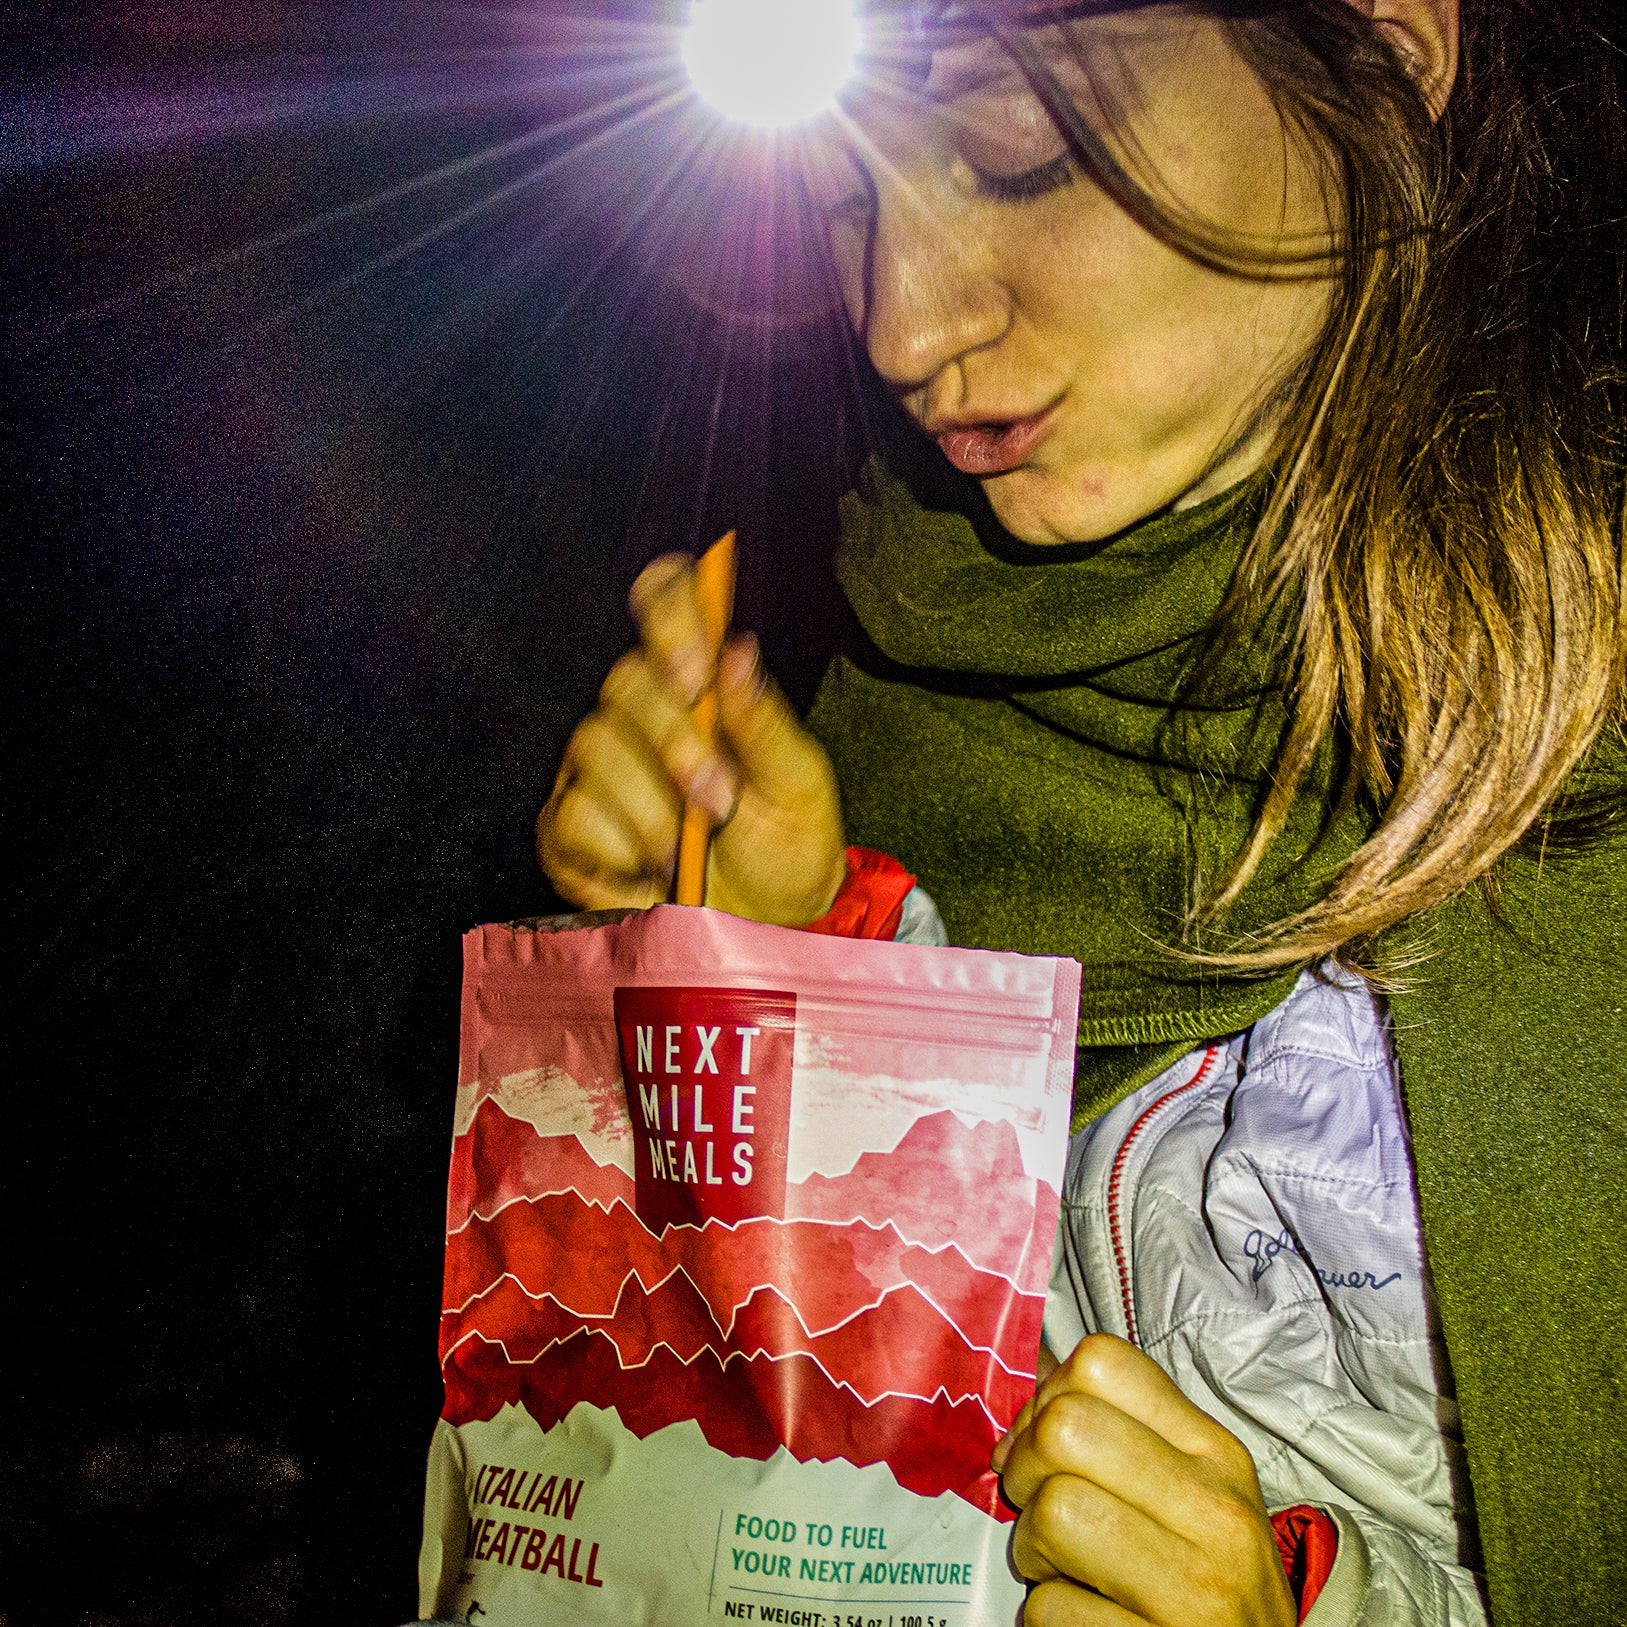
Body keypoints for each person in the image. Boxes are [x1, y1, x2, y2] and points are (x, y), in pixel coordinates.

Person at [536, 2, 1626, 1623]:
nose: (904, 326)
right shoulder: (910, 667)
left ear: (1390, 49)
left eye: (1021, 157)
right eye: (845, 199)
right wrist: (780, 968)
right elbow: (817, 1443)